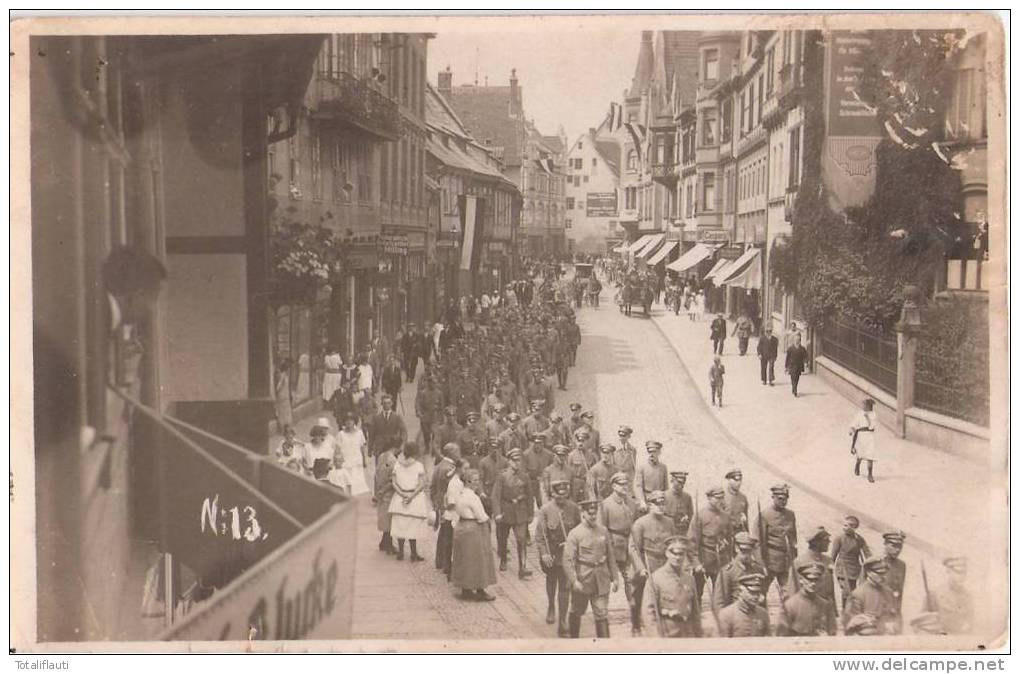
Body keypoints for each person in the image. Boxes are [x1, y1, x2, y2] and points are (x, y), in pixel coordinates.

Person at [563, 498, 620, 639]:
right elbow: (568, 560)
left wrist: (615, 578)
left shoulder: (603, 531)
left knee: (601, 613)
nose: (593, 517)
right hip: (583, 579)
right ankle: (573, 643)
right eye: (590, 514)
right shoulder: (575, 534)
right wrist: (574, 580)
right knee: (577, 611)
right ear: (583, 513)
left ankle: (604, 649)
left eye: (595, 514)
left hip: (601, 579)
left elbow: (611, 556)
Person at [534, 479, 582, 636]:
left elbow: (579, 531)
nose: (561, 499)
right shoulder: (545, 510)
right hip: (552, 553)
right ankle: (551, 606)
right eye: (558, 496)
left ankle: (562, 622)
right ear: (553, 494)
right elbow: (540, 536)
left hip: (567, 554)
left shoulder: (573, 508)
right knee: (551, 580)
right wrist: (544, 553)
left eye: (564, 495)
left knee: (565, 586)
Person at [629, 489, 678, 636]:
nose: (661, 507)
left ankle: (663, 623)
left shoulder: (669, 522)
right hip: (647, 563)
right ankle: (636, 625)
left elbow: (673, 544)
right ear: (650, 505)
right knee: (638, 595)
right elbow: (633, 548)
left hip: (663, 562)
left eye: (663, 503)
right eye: (657, 504)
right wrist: (640, 568)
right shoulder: (640, 524)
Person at [598, 472, 640, 635]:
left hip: (628, 545)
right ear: (614, 486)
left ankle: (634, 612)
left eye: (626, 484)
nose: (625, 487)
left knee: (631, 579)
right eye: (621, 484)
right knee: (607, 581)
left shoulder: (632, 503)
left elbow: (636, 523)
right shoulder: (606, 505)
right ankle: (602, 613)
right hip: (612, 546)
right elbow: (602, 529)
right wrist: (605, 549)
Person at [451, 469, 498, 602]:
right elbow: (481, 516)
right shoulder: (473, 497)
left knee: (465, 559)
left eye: (478, 480)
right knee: (478, 559)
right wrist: (488, 520)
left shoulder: (460, 494)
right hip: (473, 528)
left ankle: (466, 589)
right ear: (469, 482)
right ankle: (480, 590)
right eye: (476, 480)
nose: (478, 483)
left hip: (462, 526)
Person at [492, 448, 535, 579]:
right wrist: (497, 513)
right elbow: (496, 496)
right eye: (514, 461)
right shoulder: (502, 476)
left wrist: (531, 514)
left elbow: (530, 496)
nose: (517, 463)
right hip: (506, 511)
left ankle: (522, 567)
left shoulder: (525, 476)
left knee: (521, 539)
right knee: (503, 538)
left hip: (520, 512)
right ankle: (504, 559)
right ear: (509, 462)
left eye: (519, 460)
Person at [648, 535, 702, 637]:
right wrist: (655, 638)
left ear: (685, 555)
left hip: (688, 633)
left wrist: (698, 635)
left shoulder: (689, 579)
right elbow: (649, 613)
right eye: (674, 553)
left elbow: (695, 613)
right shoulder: (656, 579)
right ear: (667, 553)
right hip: (667, 632)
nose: (677, 557)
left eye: (681, 554)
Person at [692, 485, 734, 604]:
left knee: (721, 593)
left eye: (722, 498)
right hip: (704, 559)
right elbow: (692, 541)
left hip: (721, 560)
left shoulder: (725, 516)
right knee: (697, 592)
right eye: (717, 498)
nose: (720, 501)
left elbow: (730, 540)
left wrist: (730, 559)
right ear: (709, 498)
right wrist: (696, 563)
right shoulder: (700, 516)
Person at [389, 441, 429, 562]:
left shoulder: (397, 465)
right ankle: (413, 553)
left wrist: (401, 494)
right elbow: (422, 484)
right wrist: (411, 496)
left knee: (400, 525)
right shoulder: (419, 466)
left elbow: (394, 483)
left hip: (399, 497)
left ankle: (401, 552)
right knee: (413, 526)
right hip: (414, 498)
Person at [756, 483, 798, 598]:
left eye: (785, 499)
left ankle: (787, 615)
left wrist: (794, 559)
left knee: (788, 593)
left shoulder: (790, 515)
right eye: (780, 498)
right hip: (770, 560)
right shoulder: (765, 515)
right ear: (773, 497)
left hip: (786, 560)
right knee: (761, 593)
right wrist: (761, 563)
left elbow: (794, 539)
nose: (783, 501)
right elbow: (758, 542)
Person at [776, 561, 837, 636]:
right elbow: (781, 636)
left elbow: (832, 633)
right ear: (801, 580)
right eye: (809, 579)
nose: (813, 583)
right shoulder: (789, 606)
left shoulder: (826, 606)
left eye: (816, 580)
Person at [844, 556, 900, 635]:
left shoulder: (889, 592)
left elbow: (895, 616)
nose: (883, 576)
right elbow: (850, 626)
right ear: (869, 573)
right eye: (879, 573)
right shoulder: (858, 594)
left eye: (884, 573)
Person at [715, 531, 766, 609]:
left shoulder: (758, 570)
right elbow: (719, 604)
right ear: (736, 548)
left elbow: (762, 601)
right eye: (743, 551)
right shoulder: (727, 572)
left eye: (749, 551)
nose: (746, 555)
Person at [925, 556, 973, 634]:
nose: (962, 577)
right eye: (957, 572)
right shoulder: (935, 594)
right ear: (948, 571)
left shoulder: (968, 596)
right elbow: (921, 626)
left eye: (964, 573)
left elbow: (972, 624)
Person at [831, 514, 871, 608]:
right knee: (846, 591)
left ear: (854, 527)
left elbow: (867, 553)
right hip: (842, 569)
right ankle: (845, 610)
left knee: (852, 591)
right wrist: (830, 567)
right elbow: (833, 555)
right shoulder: (839, 538)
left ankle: (849, 611)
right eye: (844, 525)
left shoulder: (859, 539)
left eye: (848, 525)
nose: (845, 527)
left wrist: (871, 563)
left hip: (854, 570)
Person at [717, 573, 771, 637]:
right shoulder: (726, 615)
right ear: (740, 591)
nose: (756, 596)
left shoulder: (763, 614)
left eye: (758, 593)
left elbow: (768, 641)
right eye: (752, 592)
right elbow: (722, 643)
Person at [373, 439, 399, 555]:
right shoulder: (393, 460)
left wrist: (377, 491)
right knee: (389, 518)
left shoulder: (381, 456)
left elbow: (376, 475)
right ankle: (388, 544)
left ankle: (384, 541)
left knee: (384, 517)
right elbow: (392, 480)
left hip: (380, 489)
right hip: (388, 492)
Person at [334, 413, 370, 496]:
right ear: (344, 422)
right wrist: (338, 463)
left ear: (354, 421)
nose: (349, 422)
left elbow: (362, 448)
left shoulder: (360, 433)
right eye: (346, 420)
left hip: (357, 464)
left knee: (358, 487)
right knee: (347, 486)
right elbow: (337, 451)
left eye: (351, 420)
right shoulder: (341, 434)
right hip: (345, 464)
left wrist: (365, 460)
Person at [368, 394, 407, 467]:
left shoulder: (397, 417)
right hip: (379, 447)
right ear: (382, 404)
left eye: (388, 403)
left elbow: (403, 432)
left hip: (392, 447)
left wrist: (402, 445)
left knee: (392, 469)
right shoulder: (376, 418)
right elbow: (371, 434)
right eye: (384, 403)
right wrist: (370, 449)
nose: (386, 405)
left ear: (392, 403)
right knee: (379, 468)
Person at [881, 531, 907, 633]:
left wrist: (896, 613)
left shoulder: (901, 565)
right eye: (894, 545)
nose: (897, 550)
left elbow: (900, 592)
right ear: (885, 544)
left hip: (895, 613)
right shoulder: (874, 562)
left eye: (900, 546)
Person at [634, 441, 669, 512]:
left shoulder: (663, 467)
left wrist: (666, 502)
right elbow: (638, 486)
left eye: (654, 452)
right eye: (649, 452)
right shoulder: (642, 467)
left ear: (659, 452)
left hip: (660, 501)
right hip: (647, 500)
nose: (651, 454)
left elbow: (666, 487)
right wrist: (642, 501)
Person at [850, 398, 878, 482]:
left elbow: (872, 426)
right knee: (860, 453)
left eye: (864, 405)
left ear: (869, 406)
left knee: (870, 455)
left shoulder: (873, 414)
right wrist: (852, 430)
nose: (863, 406)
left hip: (869, 436)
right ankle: (857, 465)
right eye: (863, 404)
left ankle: (870, 474)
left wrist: (868, 418)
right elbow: (855, 423)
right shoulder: (859, 413)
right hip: (861, 436)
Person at [415, 376, 444, 457]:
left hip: (435, 416)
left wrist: (441, 417)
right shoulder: (423, 393)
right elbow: (419, 404)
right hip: (426, 416)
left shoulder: (439, 393)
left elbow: (441, 407)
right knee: (426, 433)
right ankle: (427, 447)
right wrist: (420, 413)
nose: (433, 385)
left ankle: (434, 450)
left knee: (435, 433)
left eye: (435, 383)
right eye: (432, 383)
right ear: (429, 383)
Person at [305, 417, 337, 481]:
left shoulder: (327, 447)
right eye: (315, 435)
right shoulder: (307, 447)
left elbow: (332, 462)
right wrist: (307, 470)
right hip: (311, 474)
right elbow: (303, 461)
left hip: (325, 475)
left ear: (322, 436)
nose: (317, 437)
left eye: (319, 435)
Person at [663, 470, 694, 535]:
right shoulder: (664, 496)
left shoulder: (687, 497)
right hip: (667, 531)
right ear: (672, 480)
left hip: (682, 531)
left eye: (683, 482)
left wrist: (686, 520)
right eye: (679, 482)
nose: (682, 484)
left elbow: (691, 515)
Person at [722, 468, 749, 532]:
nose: (739, 483)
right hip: (725, 532)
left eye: (740, 480)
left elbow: (745, 518)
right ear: (729, 480)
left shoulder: (743, 498)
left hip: (739, 532)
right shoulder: (722, 497)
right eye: (736, 480)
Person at [785, 332, 809, 397]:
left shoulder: (802, 349)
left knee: (797, 378)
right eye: (796, 340)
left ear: (800, 341)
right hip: (792, 365)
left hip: (799, 366)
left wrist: (806, 362)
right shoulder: (790, 348)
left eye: (798, 340)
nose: (797, 341)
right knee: (793, 377)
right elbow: (787, 358)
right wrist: (786, 367)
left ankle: (794, 388)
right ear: (794, 341)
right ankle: (794, 389)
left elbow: (806, 356)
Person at [274, 358, 294, 433]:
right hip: (282, 395)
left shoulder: (286, 375)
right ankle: (282, 428)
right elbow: (278, 386)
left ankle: (286, 428)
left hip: (285, 395)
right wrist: (276, 392)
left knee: (285, 411)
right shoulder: (282, 375)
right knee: (282, 411)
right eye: (289, 368)